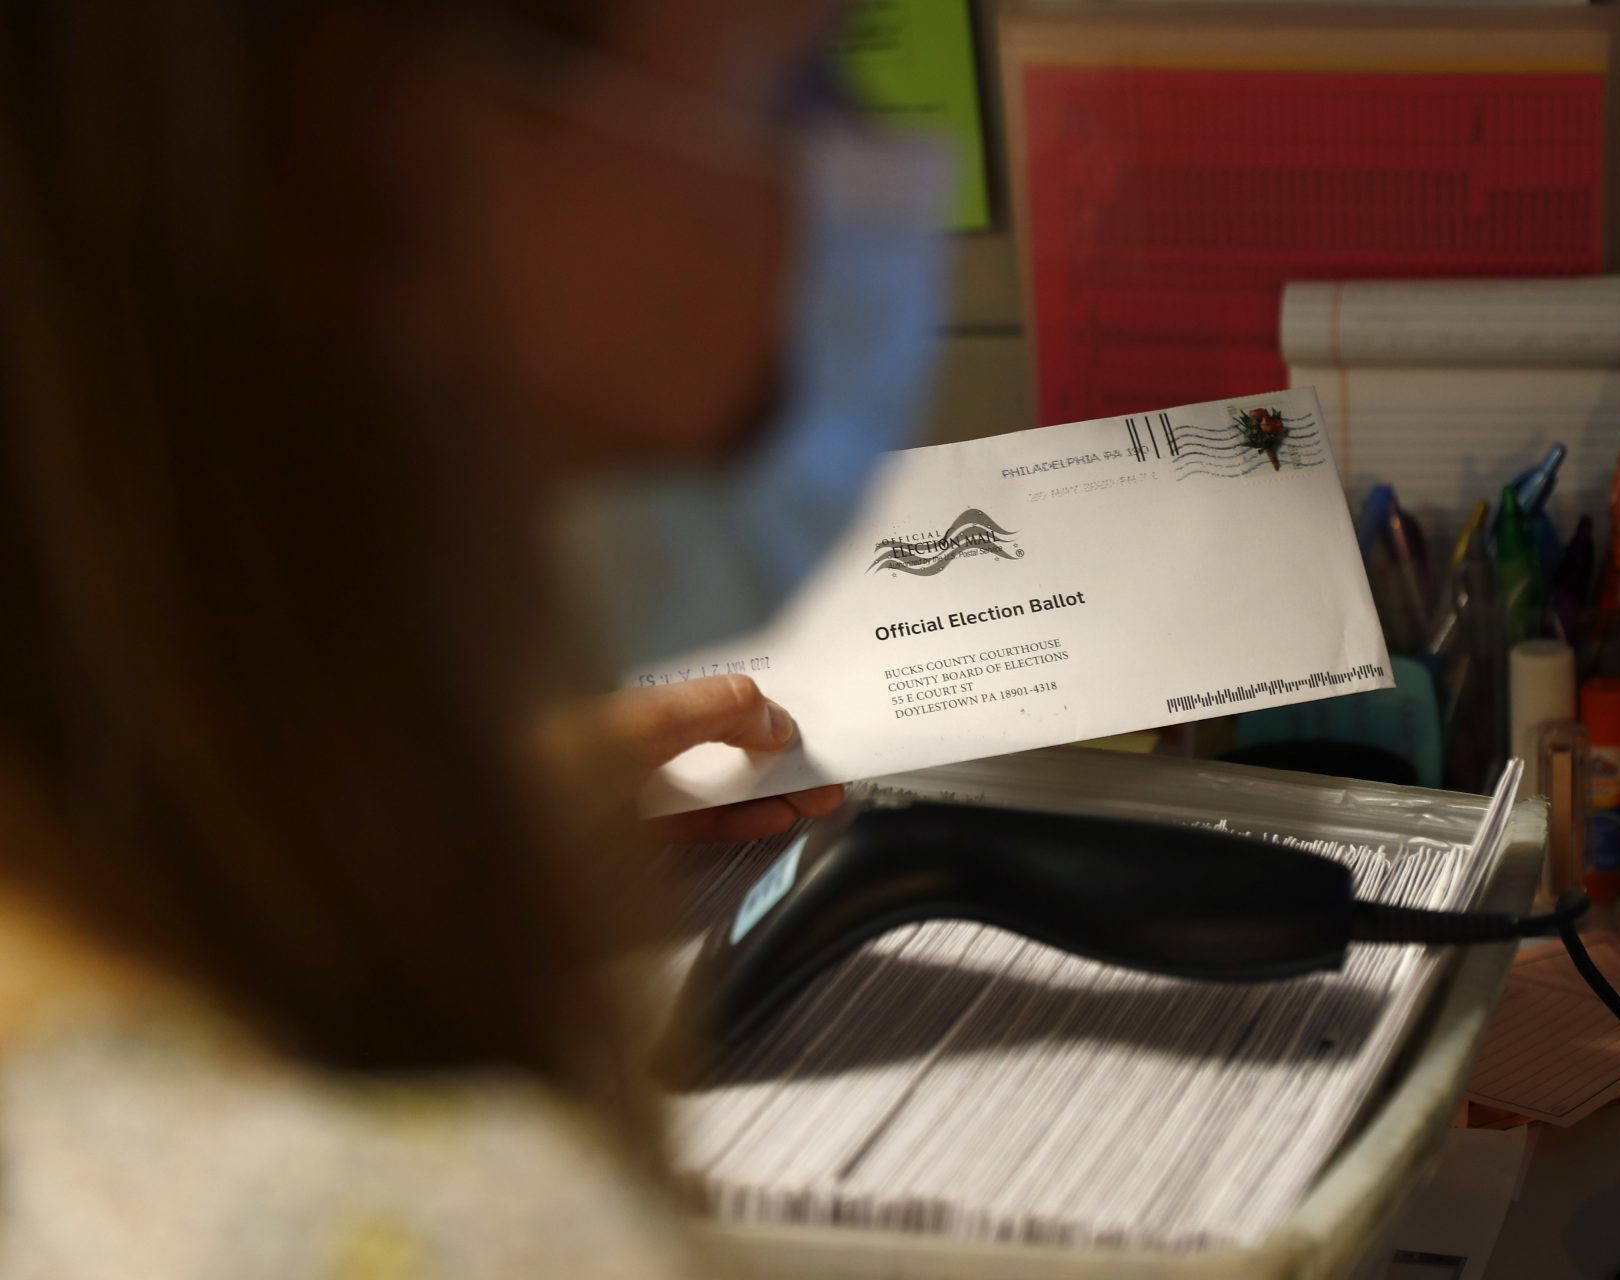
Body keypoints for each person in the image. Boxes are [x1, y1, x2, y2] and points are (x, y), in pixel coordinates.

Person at [0, 0, 935, 1272]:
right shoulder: (434, 1219)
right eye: (797, 79)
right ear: (376, 139)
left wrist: (430, 820)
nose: (859, 174)